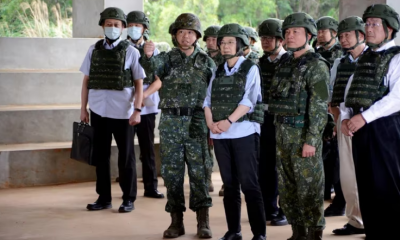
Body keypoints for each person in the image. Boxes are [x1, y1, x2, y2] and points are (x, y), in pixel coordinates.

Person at [140, 13, 214, 239]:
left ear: (197, 36)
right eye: (181, 32)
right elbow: (149, 70)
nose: (185, 36)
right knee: (172, 174)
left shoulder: (206, 61)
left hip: (197, 122)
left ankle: (203, 221)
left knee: (200, 173)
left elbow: (215, 94)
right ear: (175, 35)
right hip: (171, 122)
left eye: (190, 32)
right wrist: (148, 55)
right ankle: (176, 222)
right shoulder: (166, 58)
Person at [341, 4, 400, 239]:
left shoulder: (396, 58)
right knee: (366, 185)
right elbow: (351, 90)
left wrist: (363, 117)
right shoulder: (366, 57)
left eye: (374, 24)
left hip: (384, 128)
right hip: (360, 128)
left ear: (389, 29)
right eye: (367, 23)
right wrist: (346, 118)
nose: (369, 28)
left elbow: (397, 98)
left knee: (387, 185)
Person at [268, 12, 329, 240]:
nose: (290, 35)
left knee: (309, 188)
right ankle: (298, 232)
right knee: (287, 188)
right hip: (282, 134)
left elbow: (320, 105)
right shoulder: (285, 63)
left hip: (303, 136)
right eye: (287, 32)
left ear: (309, 36)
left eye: (295, 31)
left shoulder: (317, 65)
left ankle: (314, 234)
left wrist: (311, 141)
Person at [204, 23, 266, 240]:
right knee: (229, 186)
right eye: (222, 42)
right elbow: (208, 100)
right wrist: (211, 124)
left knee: (250, 185)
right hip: (220, 134)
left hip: (244, 133)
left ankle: (259, 233)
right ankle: (234, 231)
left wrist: (228, 121)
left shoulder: (251, 68)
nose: (225, 46)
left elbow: (249, 100)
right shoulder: (218, 69)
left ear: (240, 44)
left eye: (230, 42)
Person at [79, 7, 145, 213]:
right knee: (101, 157)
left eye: (116, 25)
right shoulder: (93, 50)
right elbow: (86, 82)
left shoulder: (132, 52)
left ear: (123, 27)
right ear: (102, 26)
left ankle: (128, 199)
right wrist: (83, 108)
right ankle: (104, 198)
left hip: (123, 113)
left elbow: (139, 84)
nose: (112, 28)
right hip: (98, 111)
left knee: (126, 158)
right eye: (109, 24)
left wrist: (137, 110)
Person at [329, 16, 367, 236]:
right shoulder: (339, 63)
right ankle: (355, 221)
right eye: (340, 35)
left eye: (347, 35)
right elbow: (334, 98)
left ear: (360, 35)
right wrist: (339, 121)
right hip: (344, 125)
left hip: (369, 124)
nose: (343, 39)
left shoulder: (372, 60)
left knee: (370, 176)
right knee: (348, 176)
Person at [125, 10, 164, 198]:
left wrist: (141, 97)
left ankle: (151, 187)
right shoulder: (122, 48)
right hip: (124, 107)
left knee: (147, 149)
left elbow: (159, 80)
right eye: (130, 25)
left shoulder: (153, 50)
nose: (133, 28)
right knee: (127, 151)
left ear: (144, 28)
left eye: (137, 25)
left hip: (147, 107)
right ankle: (128, 190)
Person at [257, 18, 288, 227]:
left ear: (280, 40)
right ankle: (269, 208)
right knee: (265, 166)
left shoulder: (291, 62)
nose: (265, 42)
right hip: (263, 120)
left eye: (270, 38)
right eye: (263, 38)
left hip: (284, 121)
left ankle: (284, 210)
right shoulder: (260, 63)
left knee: (284, 167)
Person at [315, 15, 346, 217]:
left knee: (336, 158)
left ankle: (340, 201)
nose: (319, 35)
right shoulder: (315, 54)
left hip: (336, 110)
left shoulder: (341, 55)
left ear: (333, 33)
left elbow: (335, 85)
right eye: (317, 31)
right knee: (324, 154)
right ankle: (326, 192)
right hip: (320, 107)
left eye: (323, 31)